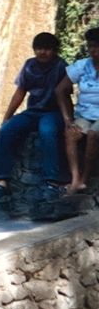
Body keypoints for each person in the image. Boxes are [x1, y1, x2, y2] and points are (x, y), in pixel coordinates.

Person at [0, 32, 68, 201]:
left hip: (53, 112)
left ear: (54, 50)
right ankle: (2, 181)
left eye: (47, 49)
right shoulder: (29, 65)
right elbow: (20, 93)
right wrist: (6, 119)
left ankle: (52, 182)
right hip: (32, 111)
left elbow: (65, 95)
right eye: (39, 48)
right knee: (7, 131)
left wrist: (69, 120)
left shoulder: (61, 66)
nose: (42, 52)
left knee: (47, 132)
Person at [56, 26, 99, 194]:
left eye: (97, 46)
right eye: (91, 46)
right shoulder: (82, 66)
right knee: (71, 134)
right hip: (84, 114)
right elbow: (60, 90)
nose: (94, 51)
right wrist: (68, 118)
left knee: (93, 135)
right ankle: (75, 179)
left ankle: (85, 179)